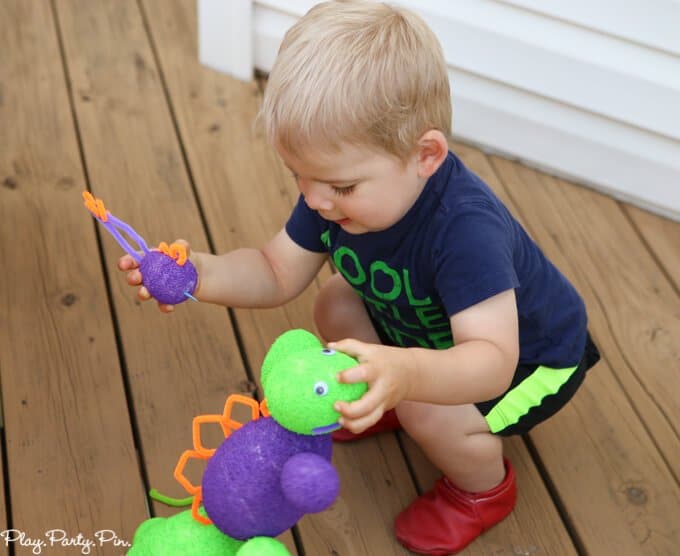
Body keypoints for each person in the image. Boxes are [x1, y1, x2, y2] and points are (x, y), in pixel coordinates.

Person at [118, 1, 600, 554]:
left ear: (425, 155)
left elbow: (491, 362)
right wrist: (197, 273)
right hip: (431, 331)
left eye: (340, 187)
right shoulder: (332, 196)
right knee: (335, 302)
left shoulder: (465, 232)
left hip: (528, 358)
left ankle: (482, 491)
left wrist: (409, 375)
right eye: (300, 177)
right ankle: (387, 395)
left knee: (427, 407)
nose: (316, 200)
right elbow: (275, 272)